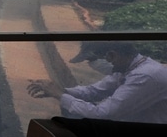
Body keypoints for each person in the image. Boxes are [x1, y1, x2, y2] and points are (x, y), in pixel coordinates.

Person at [27, 41, 167, 124]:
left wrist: (61, 96)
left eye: (95, 59)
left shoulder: (145, 76)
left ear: (112, 55)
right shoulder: (127, 68)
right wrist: (60, 91)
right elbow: (94, 91)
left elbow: (103, 113)